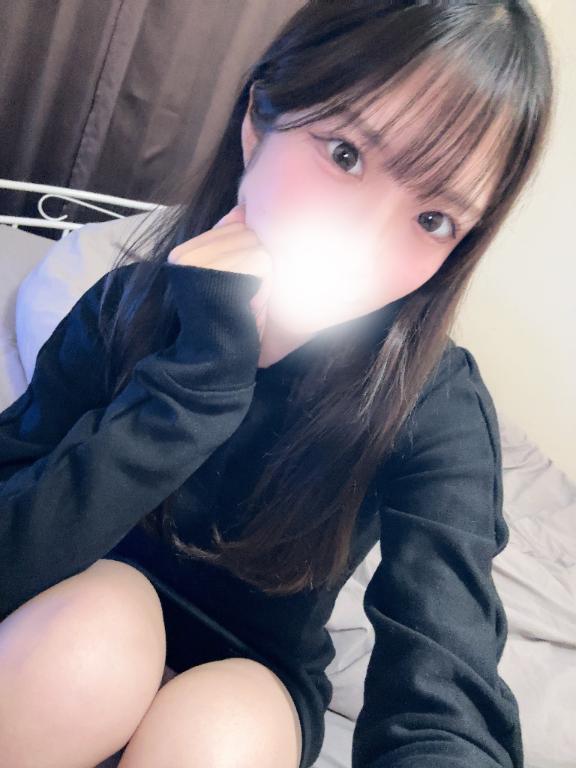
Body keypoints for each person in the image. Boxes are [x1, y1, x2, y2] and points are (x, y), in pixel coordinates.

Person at [0, 1, 553, 767]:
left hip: (255, 678)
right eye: (346, 154)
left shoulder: (436, 403)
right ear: (260, 119)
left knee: (218, 732)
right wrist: (195, 383)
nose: (365, 238)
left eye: (434, 219)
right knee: (96, 628)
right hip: (72, 603)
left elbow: (444, 676)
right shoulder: (128, 304)